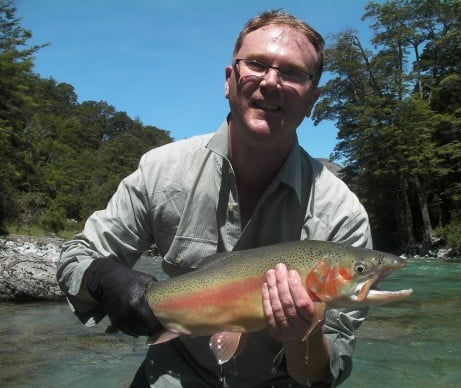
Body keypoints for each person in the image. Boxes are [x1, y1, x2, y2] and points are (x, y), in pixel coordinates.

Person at [57, 10, 372, 388]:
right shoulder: (162, 171)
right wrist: (101, 276)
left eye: (292, 73)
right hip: (175, 371)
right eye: (256, 64)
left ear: (312, 100)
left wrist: (302, 337)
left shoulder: (342, 216)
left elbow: (319, 376)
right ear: (229, 80)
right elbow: (76, 257)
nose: (271, 82)